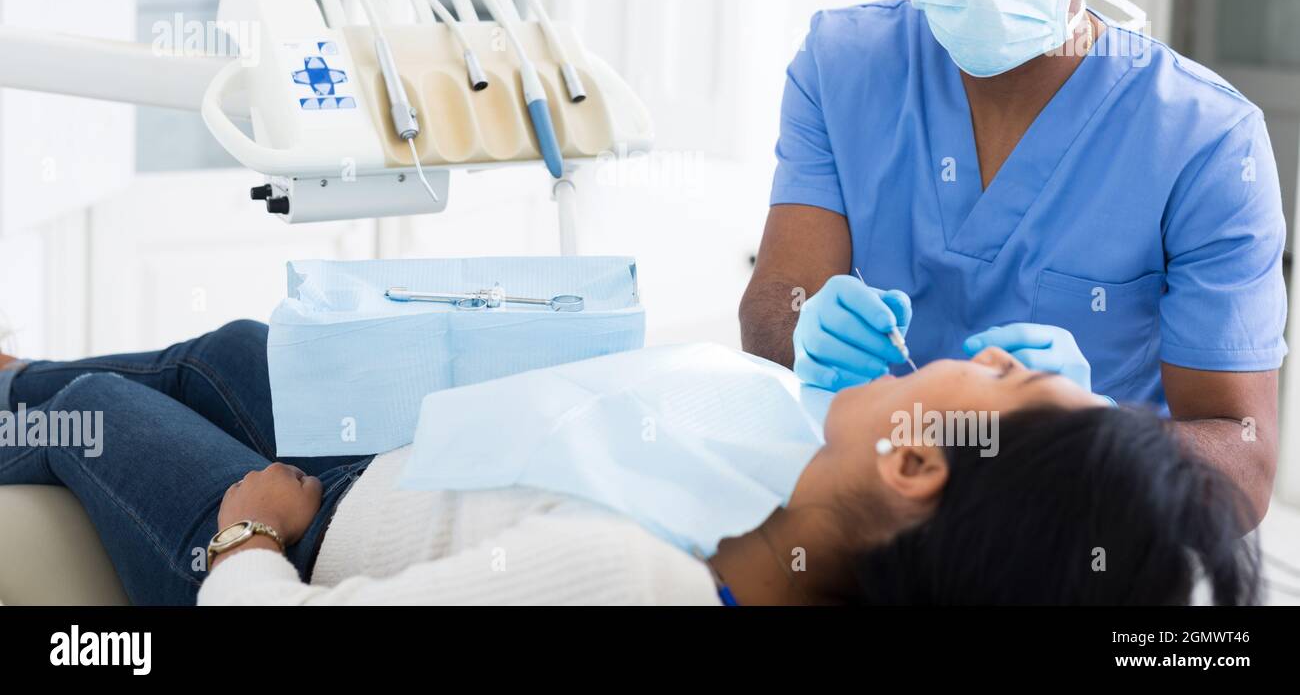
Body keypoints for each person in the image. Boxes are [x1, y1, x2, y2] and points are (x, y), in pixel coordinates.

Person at [739, 0, 1285, 527]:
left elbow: (1243, 471)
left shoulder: (1204, 139)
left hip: (1078, 525)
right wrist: (804, 331)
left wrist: (1086, 429)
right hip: (882, 497)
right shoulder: (844, 65)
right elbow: (775, 310)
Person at [0, 322, 1259, 605]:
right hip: (391, 455)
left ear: (921, 462)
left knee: (100, 409)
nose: (981, 346)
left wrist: (249, 540)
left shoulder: (621, 580)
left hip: (309, 528)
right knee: (229, 358)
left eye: (1000, 375)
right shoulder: (792, 524)